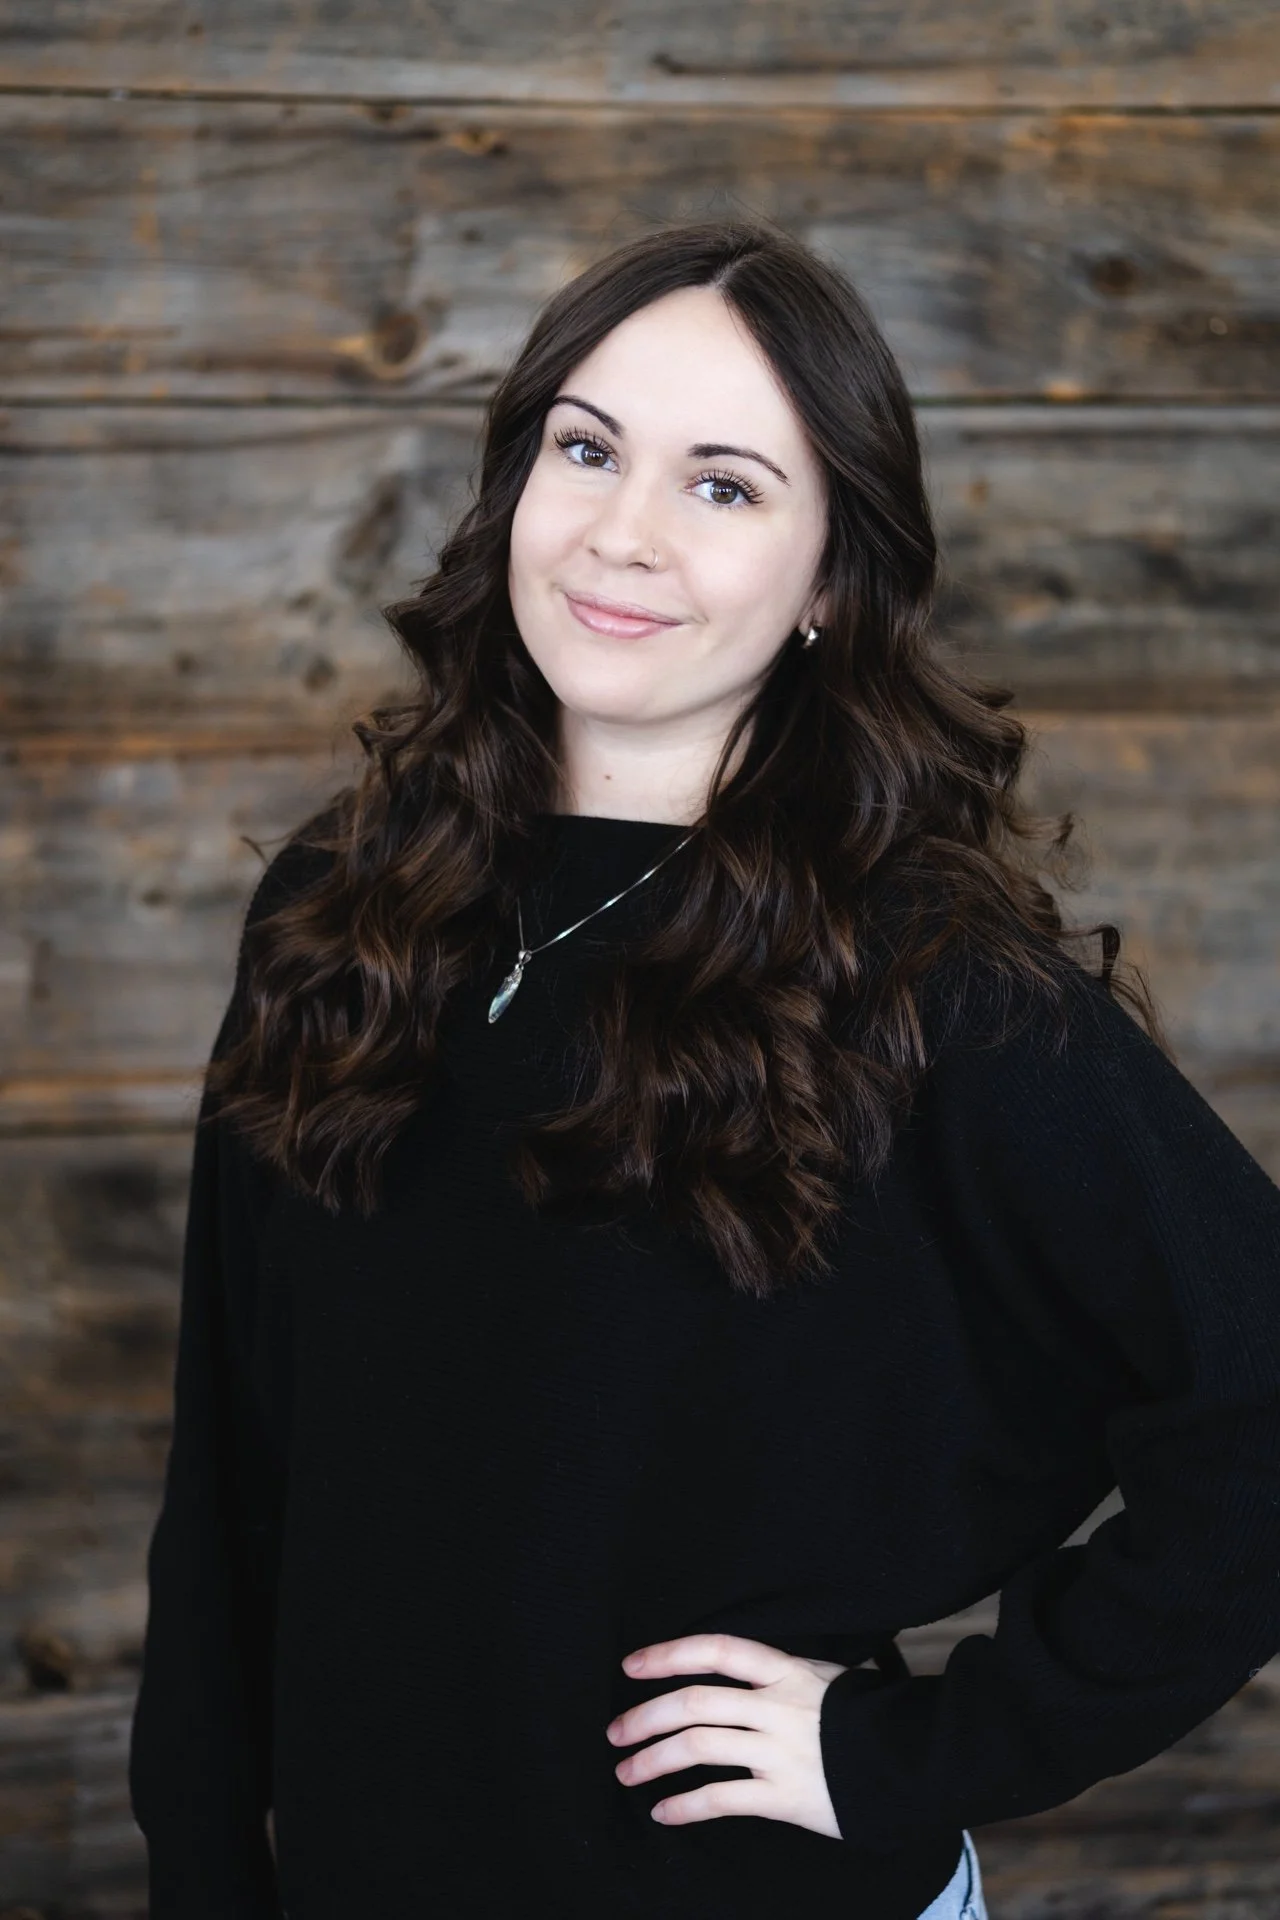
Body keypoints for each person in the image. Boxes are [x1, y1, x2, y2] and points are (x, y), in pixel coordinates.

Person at [128, 217, 1280, 1920]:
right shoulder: (340, 910)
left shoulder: (927, 981)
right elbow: (233, 1472)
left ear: (829, 583)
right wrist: (205, 1872)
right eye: (587, 449)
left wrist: (913, 1753)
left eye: (725, 486)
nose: (622, 533)